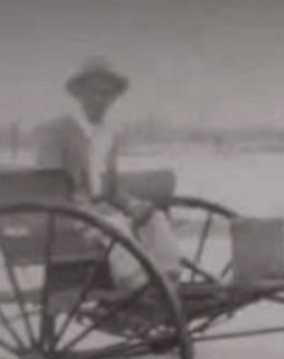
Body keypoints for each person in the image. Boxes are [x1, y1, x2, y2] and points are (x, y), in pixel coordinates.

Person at [34, 57, 185, 291]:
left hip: (99, 215)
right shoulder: (56, 131)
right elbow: (47, 185)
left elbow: (111, 189)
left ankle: (168, 282)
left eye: (106, 94)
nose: (100, 99)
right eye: (93, 92)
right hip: (66, 218)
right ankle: (135, 285)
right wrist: (83, 207)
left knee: (155, 219)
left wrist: (133, 205)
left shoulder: (108, 134)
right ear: (79, 94)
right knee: (115, 225)